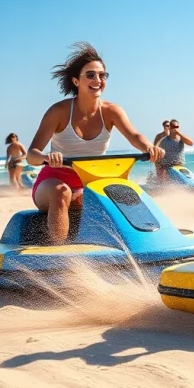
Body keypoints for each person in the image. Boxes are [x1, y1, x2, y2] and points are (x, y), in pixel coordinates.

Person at [26, 42, 165, 244]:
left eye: (102, 75)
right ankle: (60, 254)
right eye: (90, 75)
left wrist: (149, 148)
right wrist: (46, 157)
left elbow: (135, 135)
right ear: (76, 81)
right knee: (61, 192)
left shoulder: (112, 111)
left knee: (122, 194)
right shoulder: (59, 111)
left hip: (89, 181)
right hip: (52, 183)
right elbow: (32, 154)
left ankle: (142, 245)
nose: (98, 80)